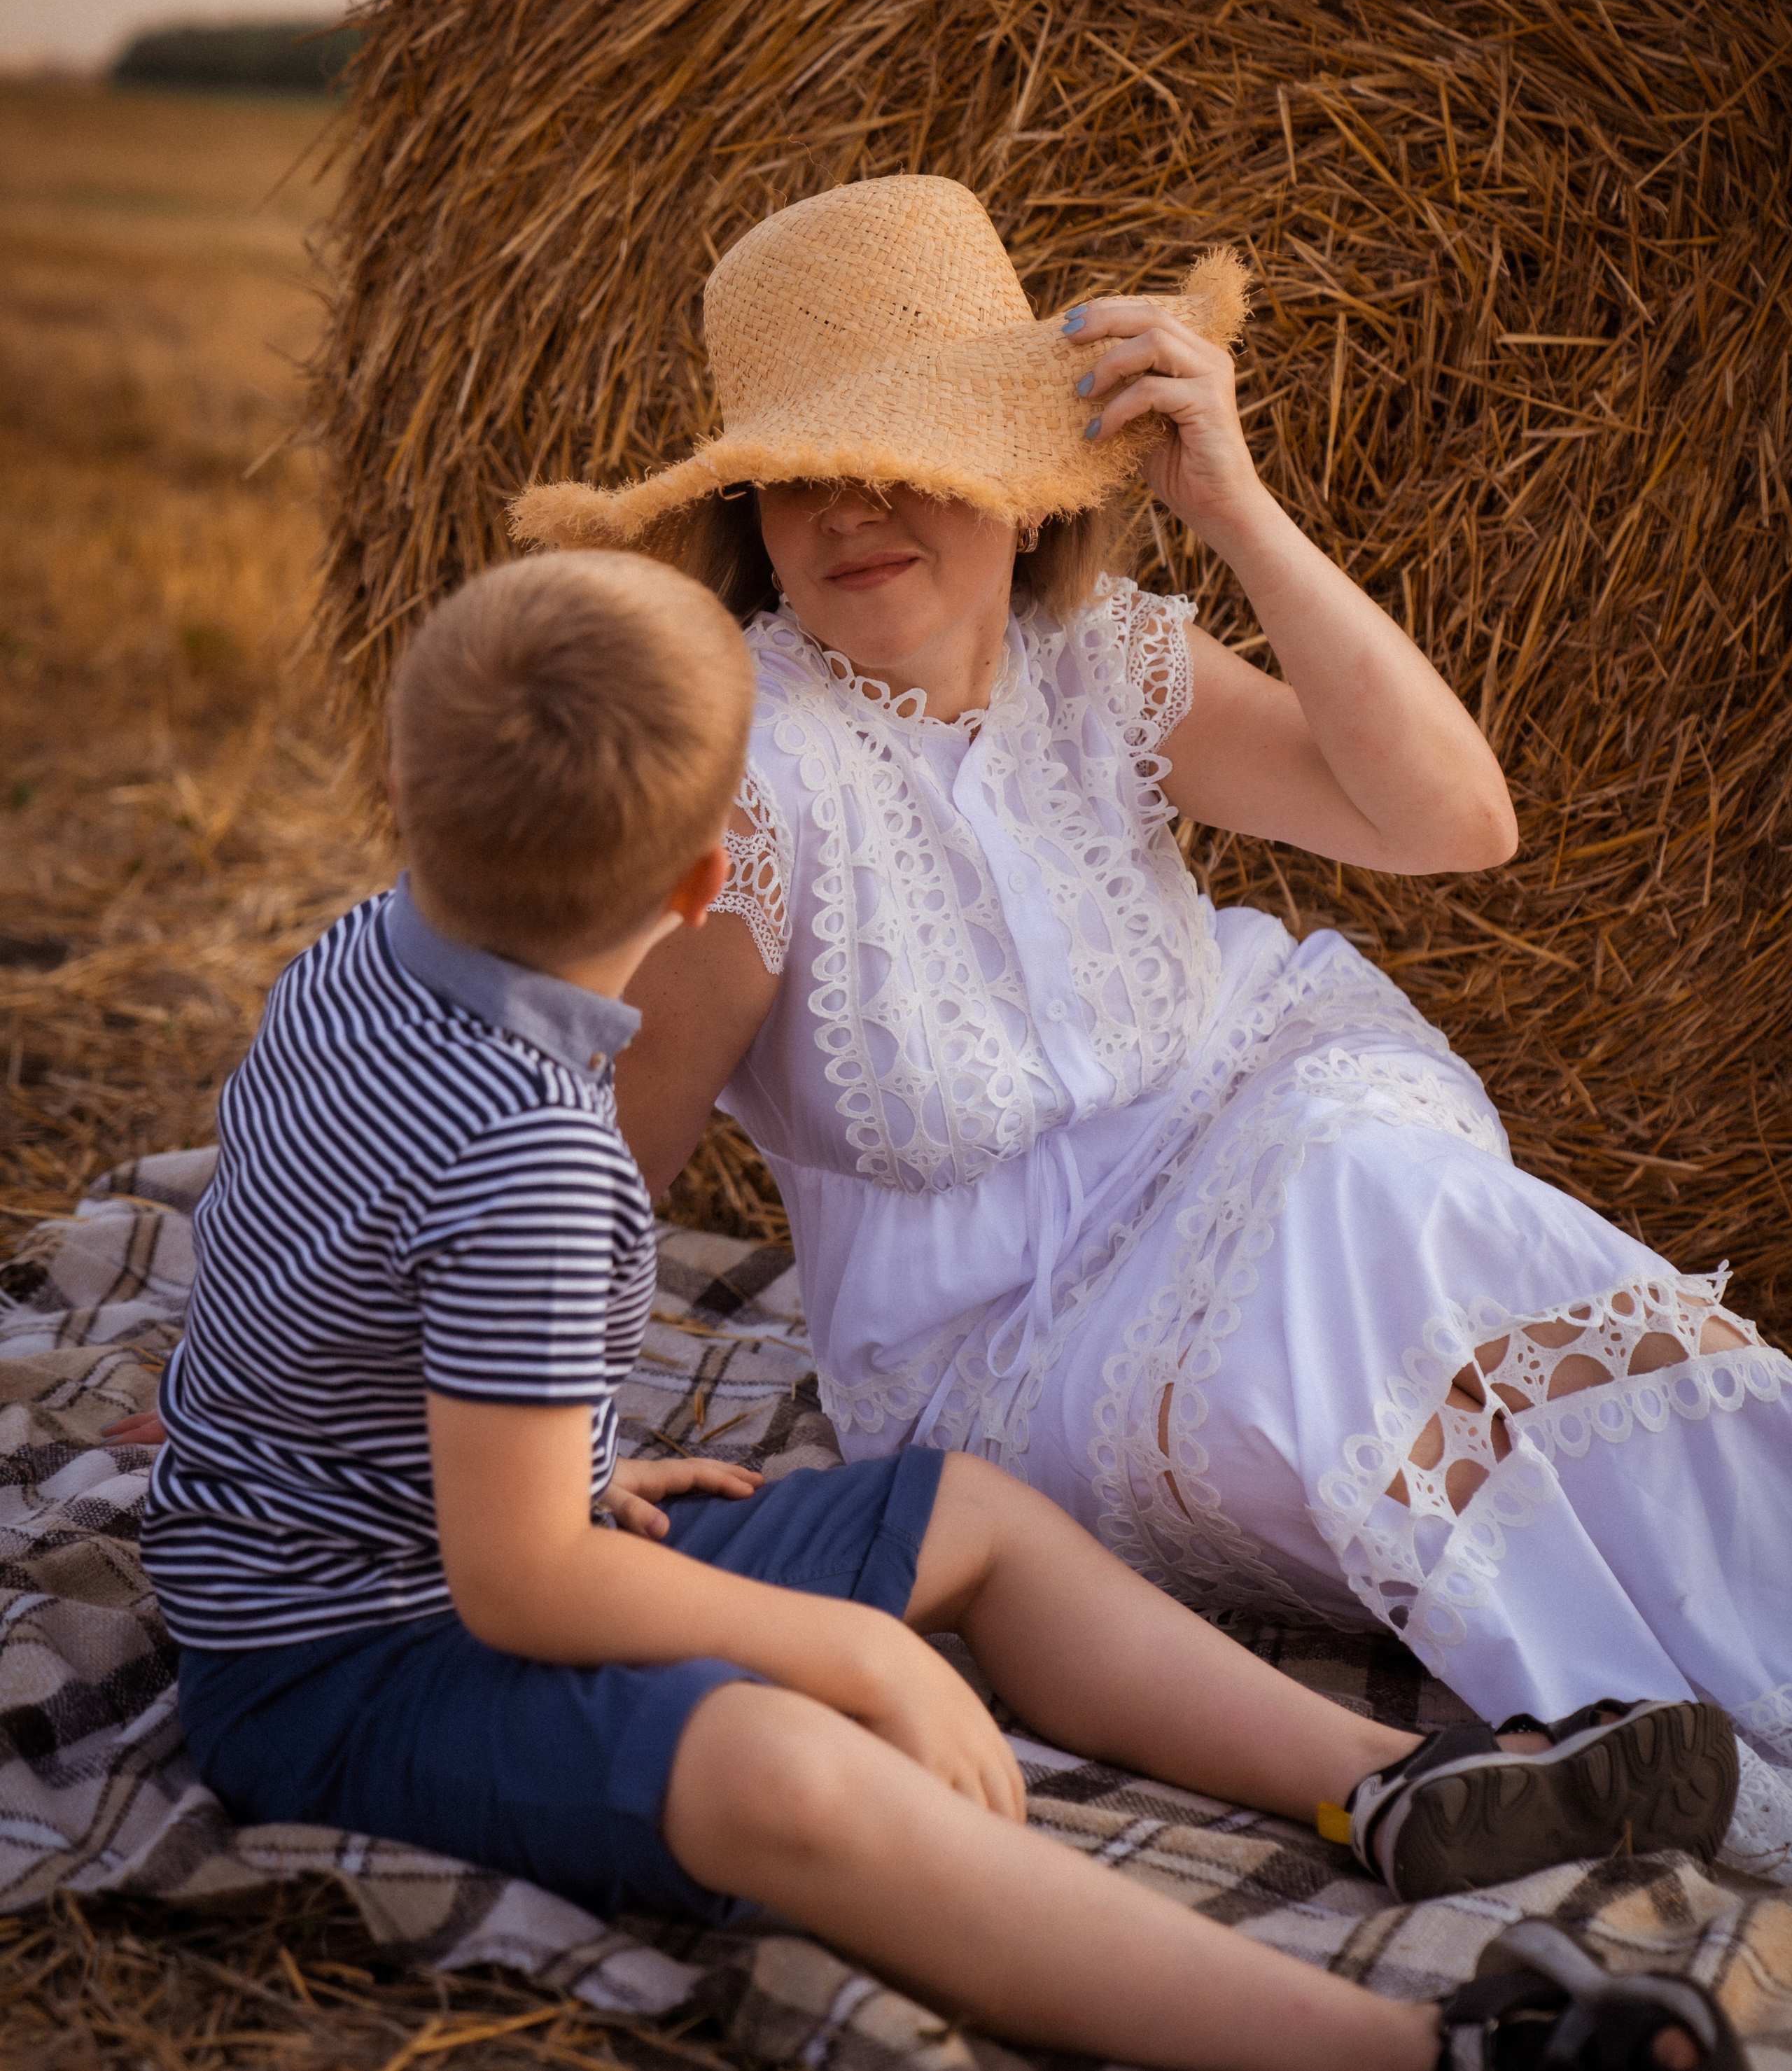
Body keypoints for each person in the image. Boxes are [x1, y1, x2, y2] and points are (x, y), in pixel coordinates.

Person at [136, 553, 1738, 2071]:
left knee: (969, 1514)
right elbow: (514, 1588)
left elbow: (337, 1289)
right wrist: (852, 1651)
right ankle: (1420, 2045)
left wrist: (565, 1459)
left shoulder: (358, 954)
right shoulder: (541, 1162)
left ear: (404, 799)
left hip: (462, 1528)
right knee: (793, 1771)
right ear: (711, 880)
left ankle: (1389, 1786)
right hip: (334, 1660)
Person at [512, 172, 1792, 1885]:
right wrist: (458, 1432)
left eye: (911, 447)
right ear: (750, 510)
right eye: (800, 470)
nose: (853, 505)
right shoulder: (757, 774)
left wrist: (1238, 506)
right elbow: (607, 1146)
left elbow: (1452, 822)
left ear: (1019, 479)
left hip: (1269, 1122)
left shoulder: (1100, 660)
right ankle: (1656, 1737)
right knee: (1364, 1257)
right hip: (1010, 1356)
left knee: (1388, 1207)